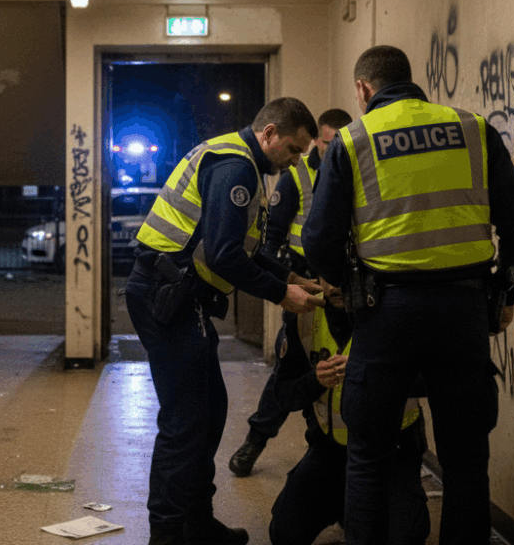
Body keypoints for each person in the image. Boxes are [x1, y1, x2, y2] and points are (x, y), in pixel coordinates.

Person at [302, 45, 514, 545]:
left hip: (385, 314)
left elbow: (319, 241)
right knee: (466, 460)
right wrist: (506, 291)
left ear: (364, 88)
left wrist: (349, 287)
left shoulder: (353, 140)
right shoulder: (473, 129)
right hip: (463, 312)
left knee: (369, 456)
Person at [126, 97, 324, 545]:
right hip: (169, 296)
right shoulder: (236, 168)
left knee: (209, 413)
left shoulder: (242, 163)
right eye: (293, 149)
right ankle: (167, 535)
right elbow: (223, 255)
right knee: (185, 422)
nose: (296, 161)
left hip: (177, 294)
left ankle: (197, 523)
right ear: (270, 134)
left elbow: (246, 249)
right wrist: (282, 295)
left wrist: (291, 277)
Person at [229, 108, 354, 478]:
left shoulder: (357, 167)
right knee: (292, 364)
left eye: (339, 143)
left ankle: (340, 447)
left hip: (349, 286)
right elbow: (270, 239)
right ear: (317, 141)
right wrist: (287, 281)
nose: (333, 150)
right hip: (308, 287)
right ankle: (256, 439)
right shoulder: (297, 175)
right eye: (327, 143)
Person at [268, 285, 430, 545]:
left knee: (406, 537)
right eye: (327, 274)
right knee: (284, 534)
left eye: (342, 272)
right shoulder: (304, 313)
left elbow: (435, 382)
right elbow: (284, 395)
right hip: (329, 451)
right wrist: (315, 381)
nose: (334, 285)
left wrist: (374, 374)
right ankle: (346, 506)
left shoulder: (400, 309)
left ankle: (360, 510)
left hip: (393, 451)